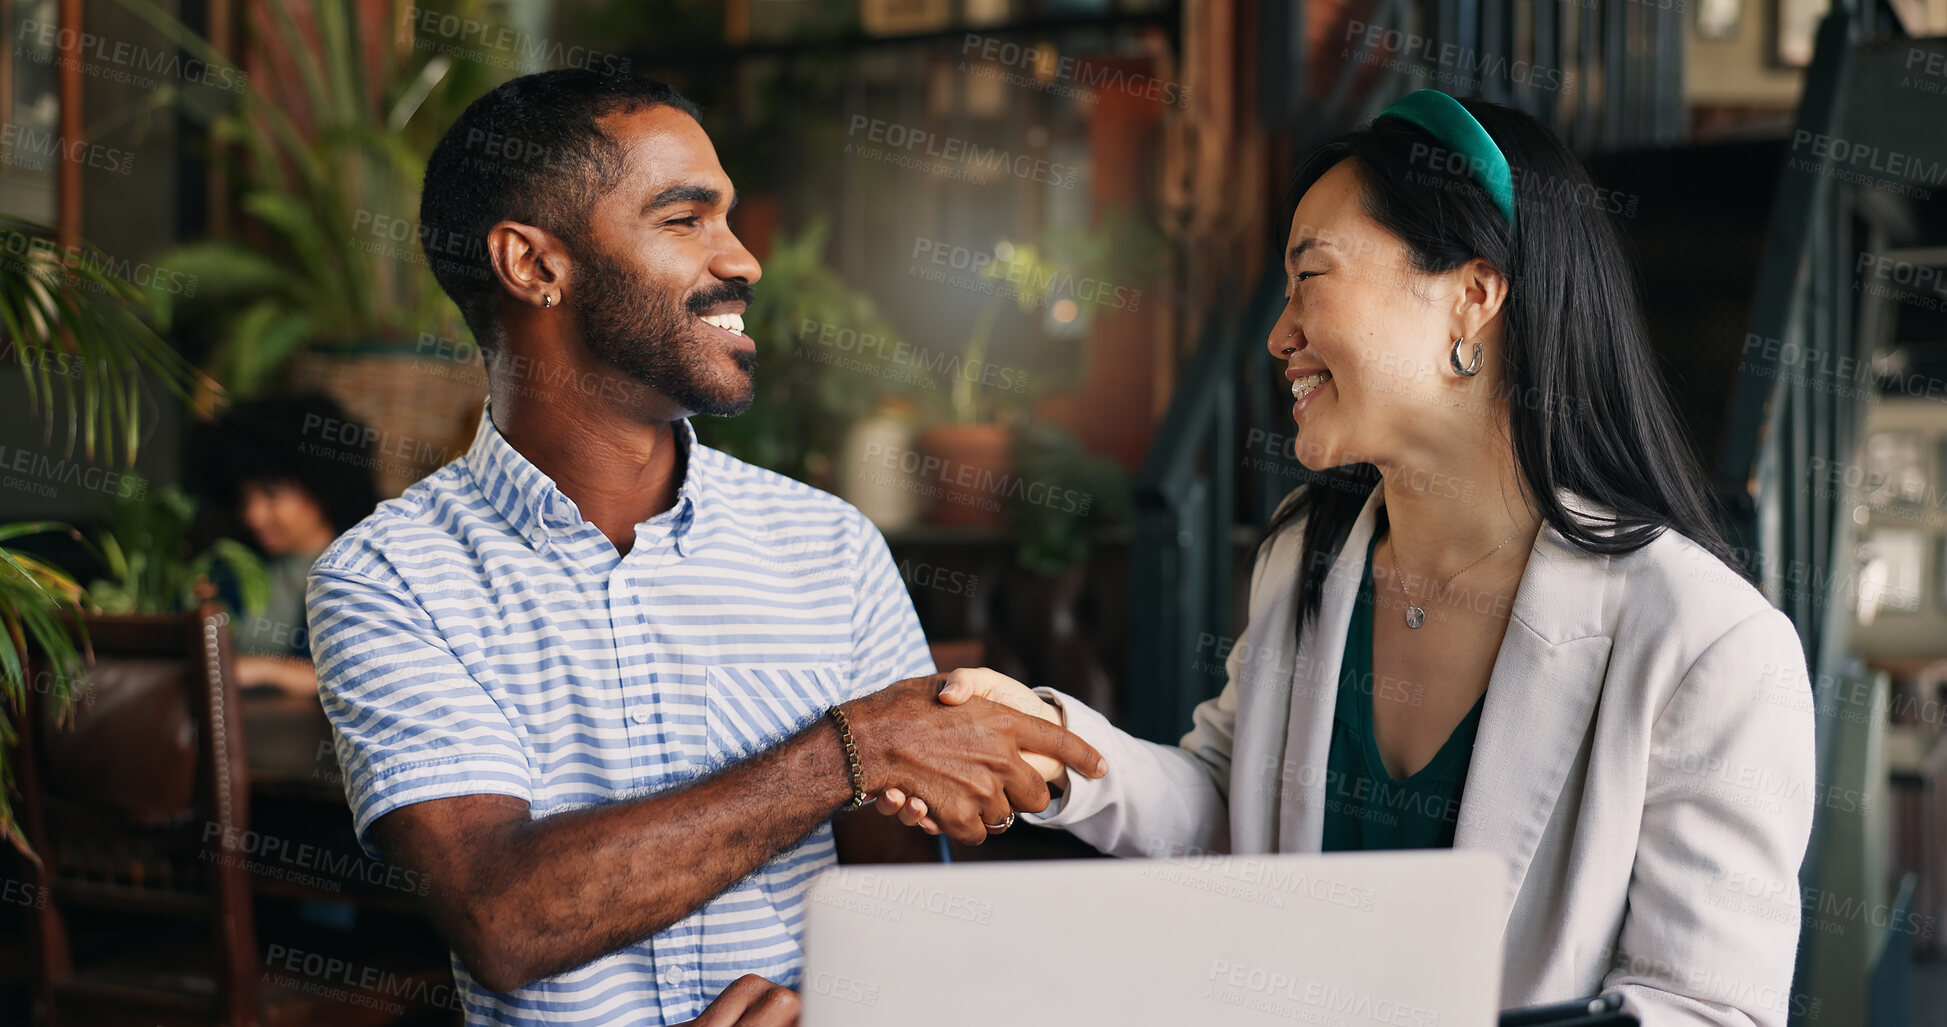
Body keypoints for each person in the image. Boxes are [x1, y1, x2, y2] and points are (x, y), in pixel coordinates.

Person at [888, 90, 1817, 1026]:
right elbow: (1230, 807)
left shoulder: (1708, 643)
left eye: (1311, 278)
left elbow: (1706, 1009)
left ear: (1472, 295)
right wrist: (1045, 745)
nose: (1277, 335)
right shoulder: (1309, 552)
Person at [302, 70, 1105, 1027]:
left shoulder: (829, 546)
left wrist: (840, 1006)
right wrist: (850, 748)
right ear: (532, 265)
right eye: (685, 219)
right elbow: (502, 913)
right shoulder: (389, 576)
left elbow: (897, 894)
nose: (745, 261)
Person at [195, 392, 380, 694]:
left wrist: (264, 670)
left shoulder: (364, 572)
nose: (253, 515)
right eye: (245, 497)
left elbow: (362, 680)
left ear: (322, 486)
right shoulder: (228, 566)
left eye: (271, 494)